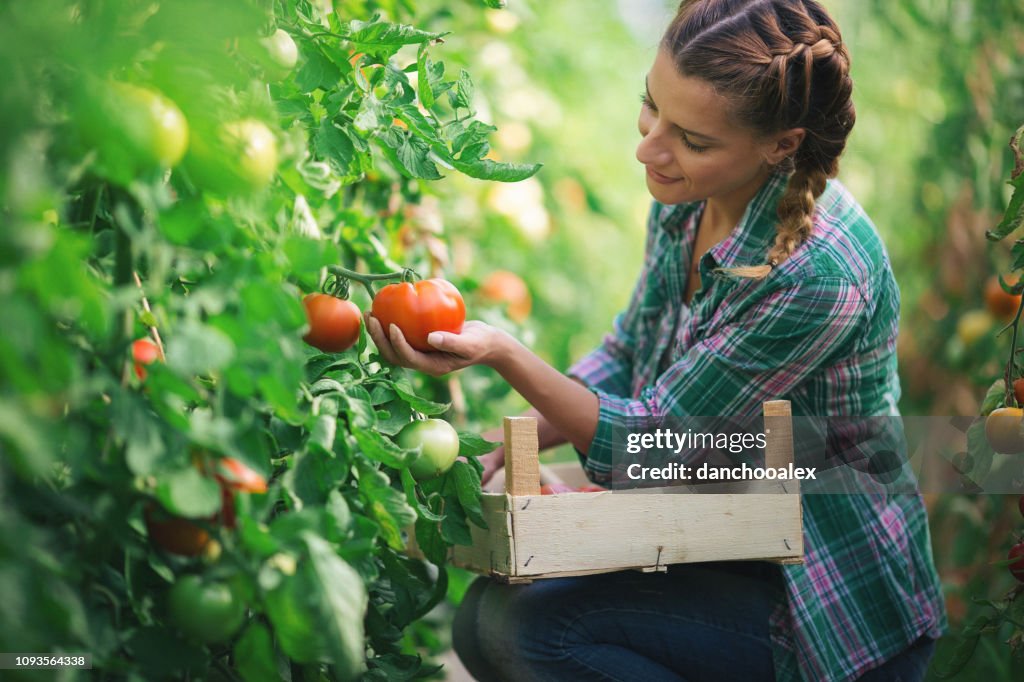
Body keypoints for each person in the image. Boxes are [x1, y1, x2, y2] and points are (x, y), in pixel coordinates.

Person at [367, 0, 948, 679]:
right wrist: (509, 436)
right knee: (482, 620)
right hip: (726, 539)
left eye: (693, 140)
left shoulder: (818, 275)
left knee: (535, 633)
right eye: (653, 107)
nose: (648, 147)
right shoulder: (691, 200)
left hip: (822, 596)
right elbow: (627, 355)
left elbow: (648, 444)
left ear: (782, 144)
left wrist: (504, 352)